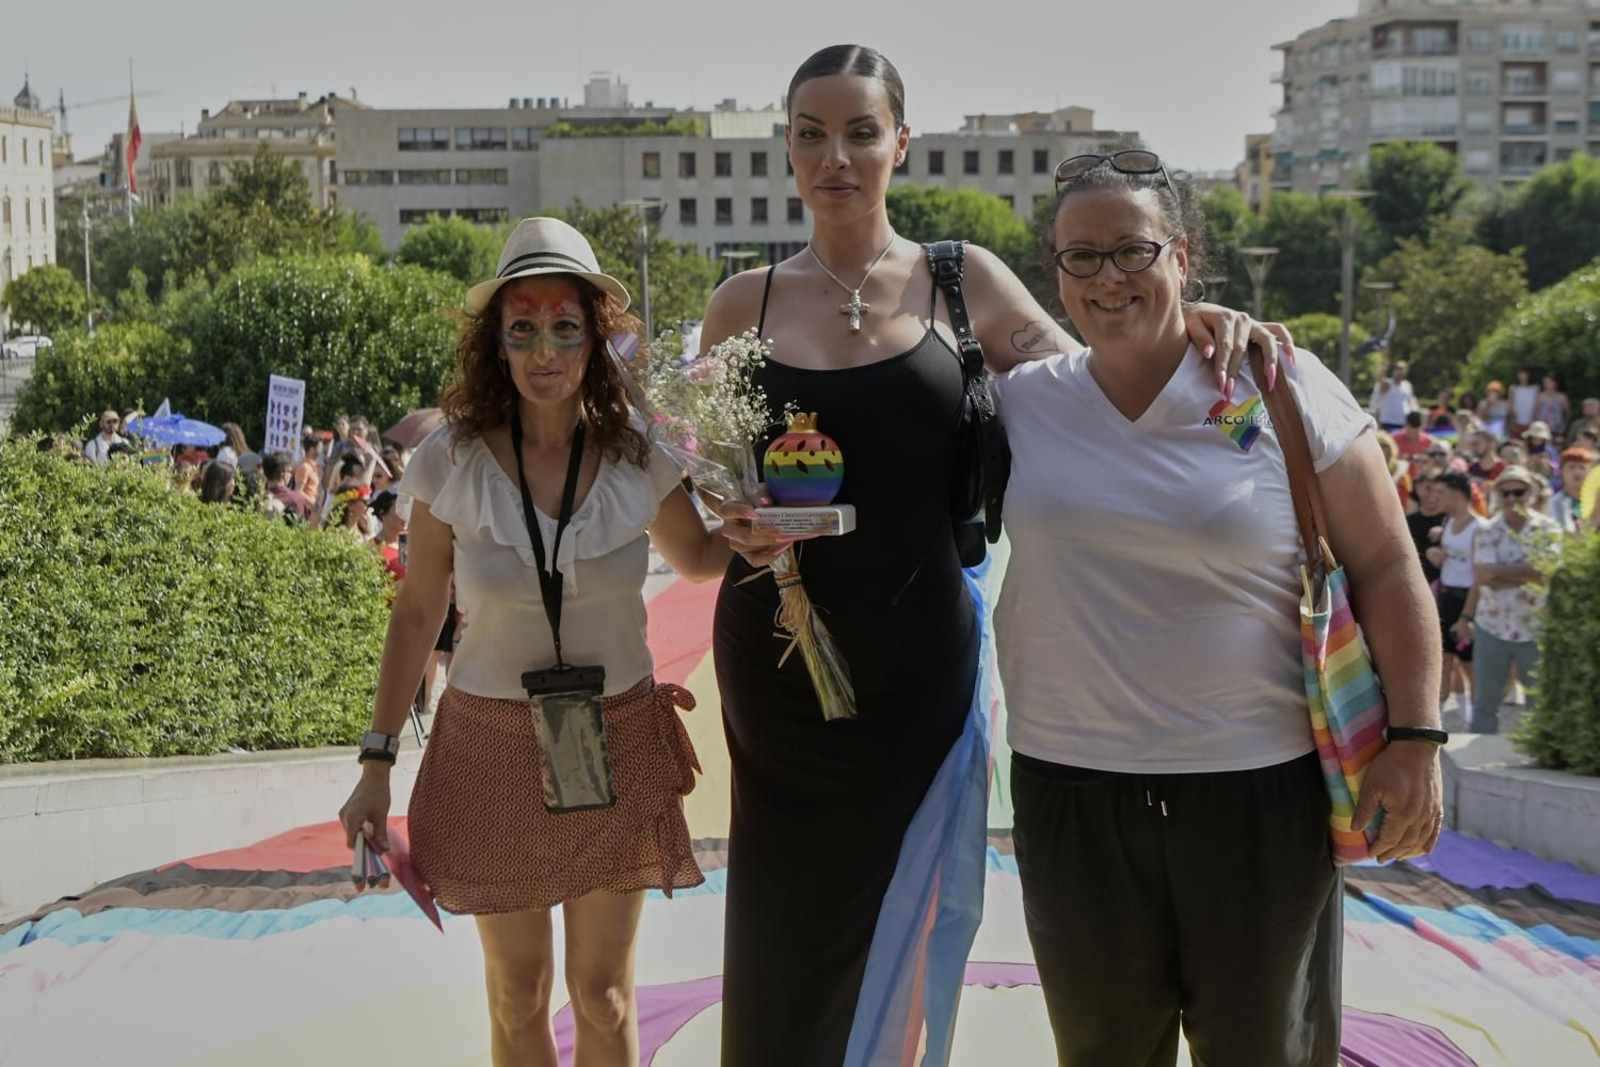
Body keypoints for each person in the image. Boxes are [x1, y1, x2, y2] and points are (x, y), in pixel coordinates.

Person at [706, 44, 1289, 1065]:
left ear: (900, 141)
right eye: (810, 133)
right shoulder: (740, 305)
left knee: (910, 912)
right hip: (778, 668)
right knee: (778, 932)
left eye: (858, 131)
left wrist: (1196, 318)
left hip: (923, 664)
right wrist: (722, 521)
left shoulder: (960, 280)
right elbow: (689, 529)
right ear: (786, 148)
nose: (833, 155)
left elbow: (1104, 376)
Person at [991, 149, 1442, 1067]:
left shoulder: (1281, 384)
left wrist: (1419, 738)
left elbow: (1391, 563)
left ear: (1182, 256)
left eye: (1133, 250)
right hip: (1071, 797)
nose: (1108, 276)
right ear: (1055, 272)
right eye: (1081, 256)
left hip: (1257, 801)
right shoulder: (1015, 401)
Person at [338, 217, 729, 1067]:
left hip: (613, 739)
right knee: (518, 996)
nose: (544, 351)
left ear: (595, 336)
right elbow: (416, 613)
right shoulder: (452, 460)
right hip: (488, 749)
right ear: (498, 343)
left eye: (564, 327)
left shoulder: (637, 454)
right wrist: (375, 761)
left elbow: (699, 557)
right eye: (524, 330)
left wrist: (764, 524)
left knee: (605, 994)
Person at [1458, 466, 1559, 735]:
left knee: (1539, 703)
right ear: (1498, 495)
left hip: (1535, 627)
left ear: (1532, 493)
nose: (1512, 498)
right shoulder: (1486, 529)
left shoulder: (1547, 528)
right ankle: (1476, 763)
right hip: (1493, 626)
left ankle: (1539, 756)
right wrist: (1528, 571)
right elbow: (1482, 575)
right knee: (1486, 702)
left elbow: (1546, 572)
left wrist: (1499, 574)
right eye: (1505, 493)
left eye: (1519, 492)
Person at [1434, 471, 1486, 725]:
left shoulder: (1479, 528)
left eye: (1442, 492)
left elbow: (1479, 577)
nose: (1437, 497)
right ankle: (1440, 716)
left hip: (1468, 600)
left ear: (1457, 494)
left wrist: (1467, 615)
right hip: (1447, 596)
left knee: (1468, 663)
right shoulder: (1448, 523)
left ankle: (1477, 717)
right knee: (1444, 658)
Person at [1548, 446, 1594, 532]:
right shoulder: (1555, 502)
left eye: (1582, 467)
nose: (1577, 472)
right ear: (1561, 471)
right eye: (1571, 467)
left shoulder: (1596, 501)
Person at [263, 451, 312, 523]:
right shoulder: (296, 498)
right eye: (290, 471)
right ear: (283, 474)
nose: (291, 475)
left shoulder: (257, 499)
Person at [1370, 359, 1417, 431]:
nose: (1400, 372)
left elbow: (1412, 402)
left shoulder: (1407, 385)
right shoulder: (1388, 384)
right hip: (1387, 423)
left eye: (1403, 370)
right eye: (1398, 369)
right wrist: (1383, 370)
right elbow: (1381, 380)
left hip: (1403, 423)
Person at [1534, 373, 1569, 441]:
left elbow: (1567, 412)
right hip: (1542, 427)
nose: (1546, 384)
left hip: (1558, 427)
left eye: (1548, 382)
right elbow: (1536, 411)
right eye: (1545, 382)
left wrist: (1564, 425)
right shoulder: (1540, 396)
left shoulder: (1561, 397)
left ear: (1555, 383)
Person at [1509, 367, 1540, 440]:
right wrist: (1512, 420)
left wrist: (1534, 419)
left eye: (1525, 374)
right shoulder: (1513, 388)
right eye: (1520, 374)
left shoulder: (1535, 388)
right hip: (1517, 421)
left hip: (1530, 421)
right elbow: (1511, 404)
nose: (1523, 376)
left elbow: (1537, 405)